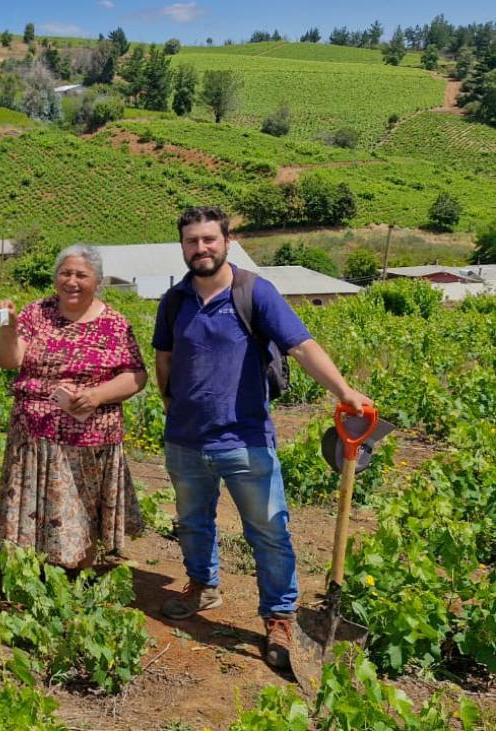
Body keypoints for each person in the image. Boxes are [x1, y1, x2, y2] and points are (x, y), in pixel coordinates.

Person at [153, 205, 372, 672]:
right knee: (192, 522)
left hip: (245, 439)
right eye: (192, 241)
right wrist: (170, 403)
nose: (201, 248)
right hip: (186, 440)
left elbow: (302, 346)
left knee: (269, 532)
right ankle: (202, 586)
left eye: (209, 239)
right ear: (183, 246)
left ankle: (279, 616)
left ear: (227, 242)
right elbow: (165, 357)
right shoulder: (174, 300)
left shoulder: (255, 292)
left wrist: (344, 391)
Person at [0, 244, 147, 569]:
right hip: (34, 438)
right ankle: (31, 573)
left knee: (80, 508)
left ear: (97, 281)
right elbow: (10, 360)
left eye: (81, 275)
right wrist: (8, 328)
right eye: (65, 273)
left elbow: (136, 375)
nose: (72, 281)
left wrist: (96, 396)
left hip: (89, 441)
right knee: (33, 507)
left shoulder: (115, 324)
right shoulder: (37, 313)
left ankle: (76, 576)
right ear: (55, 278)